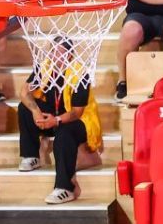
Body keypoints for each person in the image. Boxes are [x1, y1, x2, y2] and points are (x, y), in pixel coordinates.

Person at [17, 57, 101, 206]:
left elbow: (77, 112)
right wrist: (35, 111)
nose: (55, 55)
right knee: (24, 108)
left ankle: (65, 187)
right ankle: (31, 156)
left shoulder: (80, 73)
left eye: (60, 51)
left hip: (79, 121)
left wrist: (56, 120)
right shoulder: (45, 67)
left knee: (64, 131)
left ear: (69, 55)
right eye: (53, 50)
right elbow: (24, 92)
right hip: (53, 116)